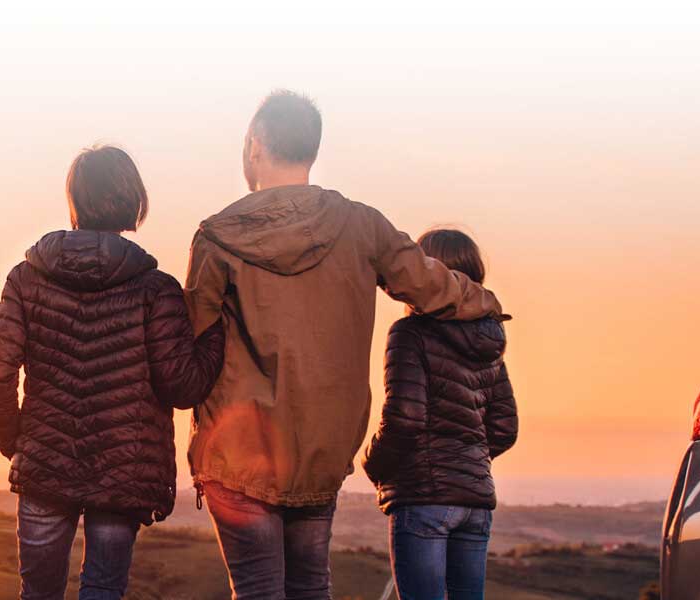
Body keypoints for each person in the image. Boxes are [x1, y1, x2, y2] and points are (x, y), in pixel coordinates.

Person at [183, 90, 504, 600]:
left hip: (240, 456)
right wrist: (484, 302)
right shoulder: (362, 226)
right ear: (312, 148)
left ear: (254, 145)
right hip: (321, 449)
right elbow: (432, 285)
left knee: (258, 591)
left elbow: (191, 361)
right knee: (312, 586)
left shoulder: (217, 238)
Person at [0, 145, 227, 600]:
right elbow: (182, 385)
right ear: (134, 201)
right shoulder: (157, 290)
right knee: (104, 590)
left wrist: (19, 441)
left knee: (37, 592)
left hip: (44, 467)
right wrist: (216, 334)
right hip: (124, 471)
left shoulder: (25, 279)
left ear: (75, 199)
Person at [363, 228, 518, 600]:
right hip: (475, 500)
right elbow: (504, 428)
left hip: (423, 497)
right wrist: (465, 458)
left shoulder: (410, 333)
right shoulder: (490, 340)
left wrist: (373, 464)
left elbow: (405, 418)